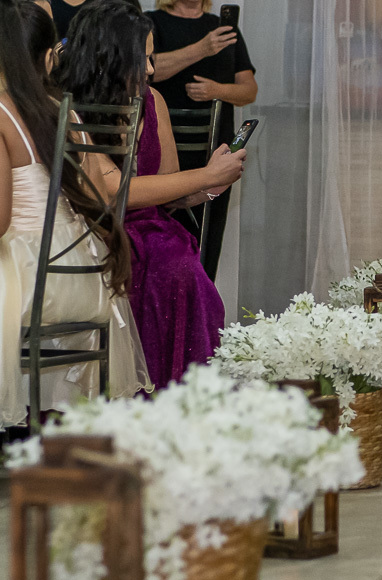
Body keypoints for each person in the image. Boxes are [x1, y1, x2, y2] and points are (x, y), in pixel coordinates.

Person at [54, 0, 246, 387]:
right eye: (141, 59)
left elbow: (167, 189)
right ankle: (146, 392)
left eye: (151, 58)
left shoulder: (153, 101)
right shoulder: (69, 107)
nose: (151, 70)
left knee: (178, 260)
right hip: (95, 228)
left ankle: (179, 391)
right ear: (109, 57)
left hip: (152, 228)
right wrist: (203, 175)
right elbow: (111, 191)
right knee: (166, 262)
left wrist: (209, 188)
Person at [0, 0, 150, 428]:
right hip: (83, 279)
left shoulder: (2, 115)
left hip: (30, 282)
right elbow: (97, 201)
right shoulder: (64, 111)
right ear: (49, 55)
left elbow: (1, 221)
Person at [148, 0, 257, 281]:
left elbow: (249, 91)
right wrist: (202, 49)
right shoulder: (152, 23)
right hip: (163, 153)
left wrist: (217, 90)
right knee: (161, 241)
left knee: (207, 242)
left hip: (215, 153)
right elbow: (149, 71)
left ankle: (203, 301)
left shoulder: (223, 29)